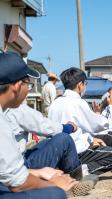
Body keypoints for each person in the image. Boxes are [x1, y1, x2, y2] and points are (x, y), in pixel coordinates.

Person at [0, 52, 79, 199]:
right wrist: (55, 184)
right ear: (17, 86)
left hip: (10, 169)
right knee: (55, 194)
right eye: (28, 84)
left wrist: (35, 173)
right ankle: (75, 177)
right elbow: (16, 182)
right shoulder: (9, 115)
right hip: (13, 171)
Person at [49, 67, 112, 175]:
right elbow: (100, 125)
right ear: (80, 85)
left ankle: (74, 170)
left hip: (58, 155)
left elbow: (80, 129)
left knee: (106, 143)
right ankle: (80, 172)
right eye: (85, 84)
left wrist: (90, 139)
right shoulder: (78, 102)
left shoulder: (55, 103)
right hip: (76, 153)